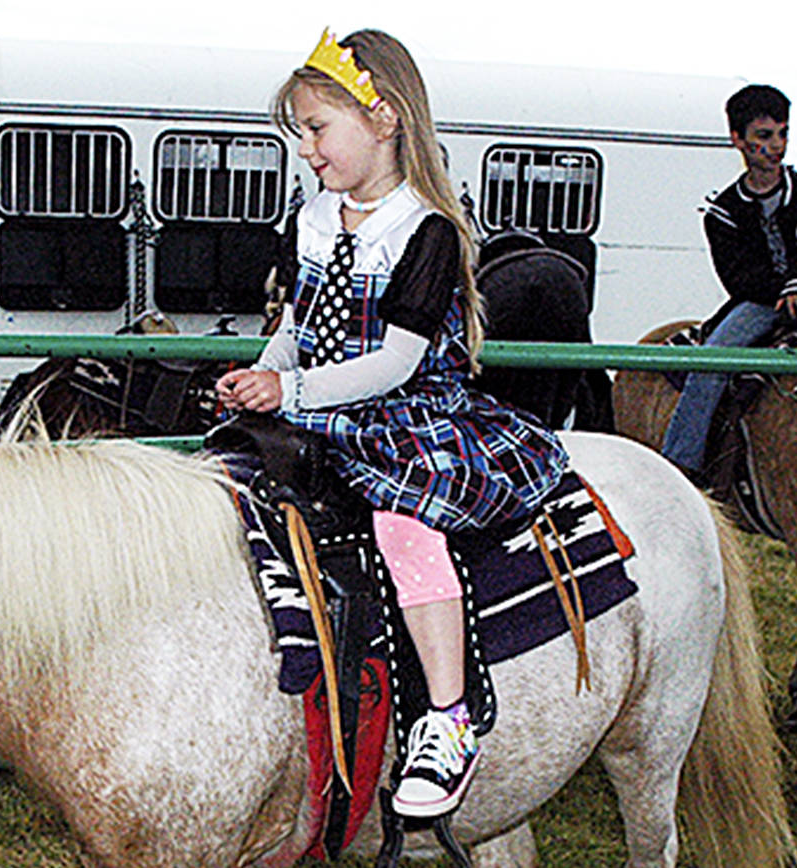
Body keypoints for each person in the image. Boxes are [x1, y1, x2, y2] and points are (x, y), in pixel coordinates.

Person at [215, 29, 568, 818]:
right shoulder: (313, 220)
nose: (305, 149)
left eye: (316, 129)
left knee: (405, 528)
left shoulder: (424, 231)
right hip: (318, 406)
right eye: (299, 132)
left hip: (408, 419)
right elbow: (297, 325)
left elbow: (397, 363)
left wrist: (291, 391)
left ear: (384, 120)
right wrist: (259, 373)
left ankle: (449, 716)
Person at [661, 84, 797, 479]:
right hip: (761, 302)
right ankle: (683, 466)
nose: (777, 146)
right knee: (713, 361)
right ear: (738, 140)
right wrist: (794, 286)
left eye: (783, 133)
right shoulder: (722, 212)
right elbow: (740, 277)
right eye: (764, 136)